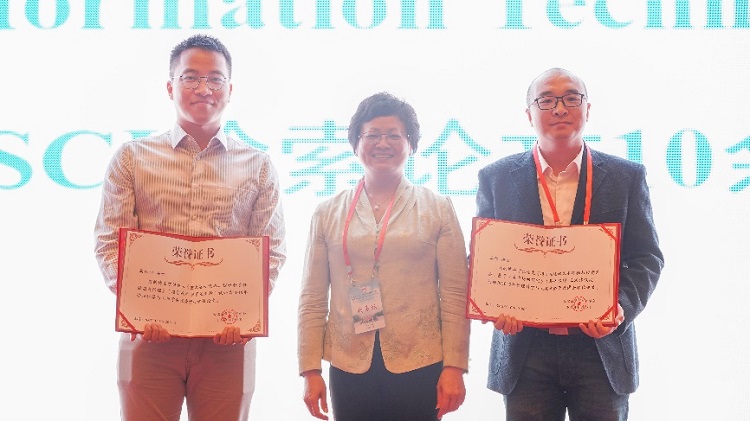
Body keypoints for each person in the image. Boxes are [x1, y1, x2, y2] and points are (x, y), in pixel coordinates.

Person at [94, 34, 286, 420]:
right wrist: (140, 309)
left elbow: (272, 250)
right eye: (190, 77)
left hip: (227, 341)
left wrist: (242, 313)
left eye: (215, 79)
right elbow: (110, 242)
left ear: (229, 90)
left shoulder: (258, 165)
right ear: (170, 87)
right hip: (148, 336)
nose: (204, 88)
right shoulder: (132, 158)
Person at [475, 68, 664, 420]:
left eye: (571, 98)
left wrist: (619, 308)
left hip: (600, 348)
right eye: (546, 100)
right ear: (528, 114)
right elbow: (485, 259)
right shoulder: (496, 178)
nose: (560, 108)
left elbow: (646, 258)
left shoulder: (625, 176)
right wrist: (495, 303)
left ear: (587, 109)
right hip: (525, 350)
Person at [297, 92, 471, 421]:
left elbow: (454, 294)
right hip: (348, 362)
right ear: (355, 143)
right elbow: (312, 297)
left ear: (411, 144)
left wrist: (455, 367)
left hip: (420, 360)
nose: (382, 143)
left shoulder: (438, 208)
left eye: (394, 135)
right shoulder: (327, 212)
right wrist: (310, 370)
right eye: (372, 134)